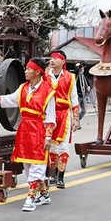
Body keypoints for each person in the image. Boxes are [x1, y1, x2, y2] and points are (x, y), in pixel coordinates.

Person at [0, 58, 55, 212]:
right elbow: (10, 100)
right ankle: (44, 194)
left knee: (38, 164)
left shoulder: (48, 92)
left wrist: (48, 138)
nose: (26, 71)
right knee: (27, 163)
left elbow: (50, 118)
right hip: (25, 129)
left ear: (37, 72)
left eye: (28, 69)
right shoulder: (23, 88)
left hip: (39, 130)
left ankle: (31, 197)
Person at [47, 50, 79, 188]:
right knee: (51, 146)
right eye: (51, 58)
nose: (52, 60)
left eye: (55, 58)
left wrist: (76, 118)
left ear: (62, 61)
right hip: (49, 114)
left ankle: (61, 176)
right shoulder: (44, 76)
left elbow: (74, 98)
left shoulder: (70, 77)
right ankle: (53, 175)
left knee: (63, 146)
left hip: (64, 114)